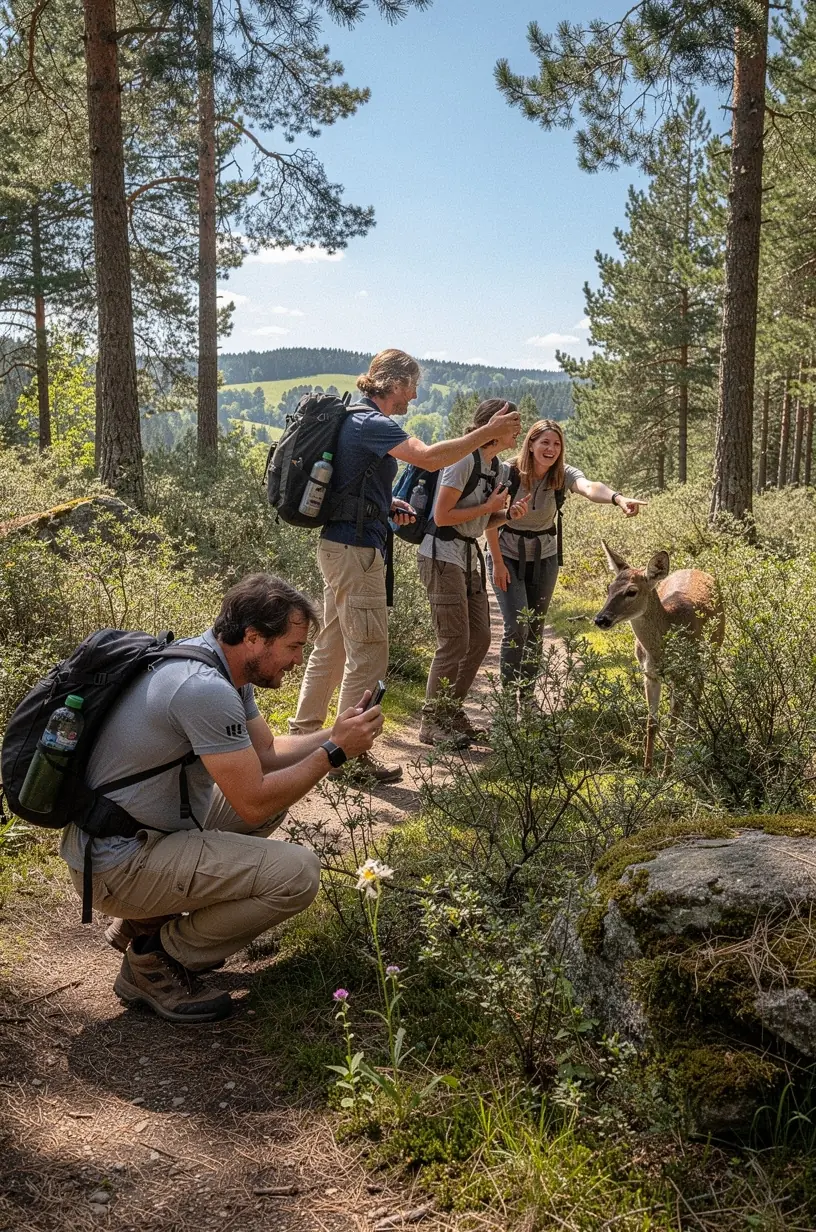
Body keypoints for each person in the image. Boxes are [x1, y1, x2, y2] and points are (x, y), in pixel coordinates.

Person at [59, 573, 385, 1025]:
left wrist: (336, 731)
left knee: (280, 796)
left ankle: (144, 919)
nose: (297, 659)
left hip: (128, 837)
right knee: (298, 874)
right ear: (254, 637)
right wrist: (335, 753)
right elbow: (253, 801)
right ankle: (154, 959)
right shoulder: (204, 689)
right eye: (293, 647)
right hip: (118, 864)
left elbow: (267, 755)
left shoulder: (221, 666)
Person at [288, 349, 521, 782]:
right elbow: (431, 458)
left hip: (342, 546)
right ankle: (347, 756)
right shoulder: (373, 422)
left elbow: (350, 482)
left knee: (334, 645)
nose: (414, 396)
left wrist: (383, 502)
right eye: (412, 386)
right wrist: (484, 432)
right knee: (369, 652)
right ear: (395, 383)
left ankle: (303, 735)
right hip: (356, 552)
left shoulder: (353, 418)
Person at [486, 419, 644, 694]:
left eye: (557, 444)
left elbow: (589, 487)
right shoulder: (507, 472)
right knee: (516, 627)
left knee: (535, 627)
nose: (551, 449)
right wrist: (498, 563)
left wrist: (618, 499)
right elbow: (488, 520)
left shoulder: (561, 474)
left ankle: (528, 697)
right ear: (531, 444)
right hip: (507, 555)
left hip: (545, 557)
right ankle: (508, 701)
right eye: (545, 442)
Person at [417, 398, 527, 746]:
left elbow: (482, 520)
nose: (518, 430)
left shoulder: (496, 467)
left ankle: (450, 712)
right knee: (453, 641)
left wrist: (506, 515)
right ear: (492, 423)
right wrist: (489, 506)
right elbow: (442, 516)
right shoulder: (462, 460)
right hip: (442, 555)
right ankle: (432, 723)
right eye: (512, 422)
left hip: (467, 555)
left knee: (478, 639)